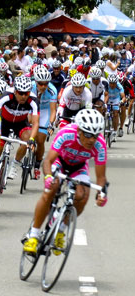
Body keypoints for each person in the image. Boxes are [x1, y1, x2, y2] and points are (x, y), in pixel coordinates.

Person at [23, 109, 108, 255]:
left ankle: (60, 230)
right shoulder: (67, 133)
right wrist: (48, 177)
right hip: (59, 162)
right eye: (87, 134)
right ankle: (34, 235)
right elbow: (48, 161)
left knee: (82, 196)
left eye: (95, 135)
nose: (91, 140)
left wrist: (101, 194)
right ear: (79, 130)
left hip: (79, 167)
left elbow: (101, 178)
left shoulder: (100, 145)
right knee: (51, 189)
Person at [0, 75, 39, 180]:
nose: (23, 96)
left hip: (21, 122)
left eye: (26, 93)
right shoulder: (6, 95)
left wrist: (32, 139)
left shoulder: (33, 100)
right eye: (20, 93)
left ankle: (15, 163)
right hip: (4, 121)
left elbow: (35, 122)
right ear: (15, 91)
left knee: (27, 141)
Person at [31, 66, 57, 180]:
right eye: (40, 84)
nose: (43, 86)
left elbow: (53, 111)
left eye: (46, 84)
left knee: (40, 140)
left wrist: (51, 124)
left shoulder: (52, 90)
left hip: (44, 112)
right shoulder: (30, 87)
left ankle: (37, 165)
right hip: (31, 110)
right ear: (36, 82)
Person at [105, 73, 126, 140]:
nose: (112, 85)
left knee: (116, 113)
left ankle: (114, 131)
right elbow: (104, 95)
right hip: (108, 98)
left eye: (114, 83)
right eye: (111, 83)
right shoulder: (106, 85)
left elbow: (123, 97)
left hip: (116, 99)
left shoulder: (119, 86)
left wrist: (121, 101)